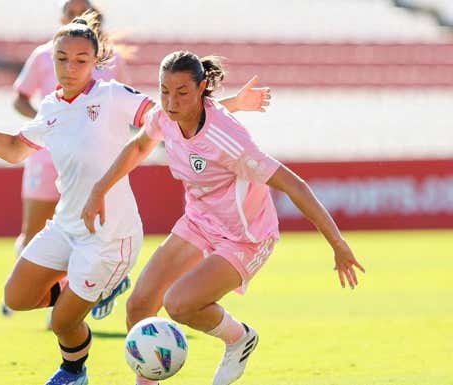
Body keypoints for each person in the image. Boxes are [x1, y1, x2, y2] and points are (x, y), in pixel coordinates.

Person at [0, 13, 269, 385]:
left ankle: (73, 372)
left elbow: (171, 115)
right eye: (62, 58)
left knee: (63, 321)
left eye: (81, 60)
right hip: (66, 224)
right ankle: (97, 289)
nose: (69, 67)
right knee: (16, 297)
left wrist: (234, 104)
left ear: (95, 62)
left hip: (108, 236)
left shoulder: (112, 95)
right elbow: (16, 149)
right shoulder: (51, 107)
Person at [81, 51, 366, 385]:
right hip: (199, 223)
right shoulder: (165, 117)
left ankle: (239, 338)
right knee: (139, 306)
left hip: (245, 237)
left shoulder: (232, 141)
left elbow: (294, 185)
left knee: (179, 304)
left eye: (182, 93)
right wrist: (99, 189)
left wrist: (338, 243)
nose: (171, 102)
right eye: (164, 91)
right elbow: (138, 147)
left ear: (202, 88)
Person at [6, 0, 131, 322]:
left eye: (82, 12)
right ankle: (49, 291)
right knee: (34, 230)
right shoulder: (43, 55)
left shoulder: (110, 61)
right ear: (61, 19)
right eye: (70, 13)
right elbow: (19, 96)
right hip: (45, 156)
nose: (76, 18)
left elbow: (126, 109)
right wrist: (48, 125)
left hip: (90, 162)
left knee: (88, 231)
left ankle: (89, 290)